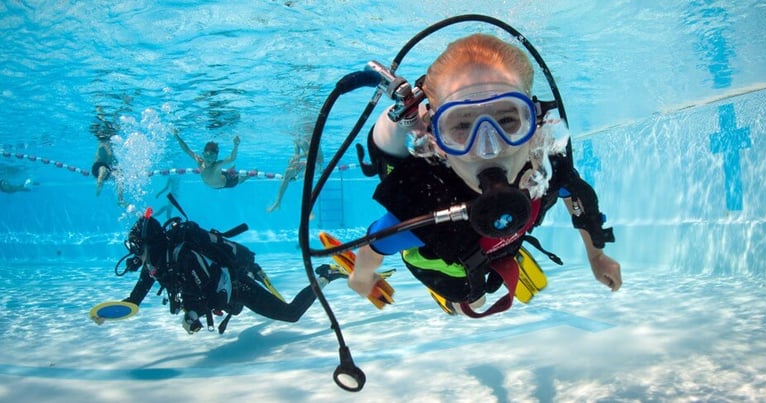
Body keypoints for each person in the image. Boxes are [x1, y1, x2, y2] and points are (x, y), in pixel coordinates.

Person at [348, 34, 621, 316]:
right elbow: (375, 244)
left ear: (534, 123)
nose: (489, 148)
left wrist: (597, 255)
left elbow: (579, 197)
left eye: (507, 120)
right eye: (462, 126)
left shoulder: (546, 166)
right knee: (470, 301)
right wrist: (361, 277)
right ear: (436, 140)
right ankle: (457, 296)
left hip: (501, 238)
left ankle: (501, 248)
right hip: (443, 258)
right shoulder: (423, 205)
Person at [92, 212, 346, 334]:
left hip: (235, 286)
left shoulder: (182, 257)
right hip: (223, 295)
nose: (136, 256)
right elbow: (134, 300)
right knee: (240, 313)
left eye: (138, 248)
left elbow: (205, 294)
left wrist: (192, 314)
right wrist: (109, 313)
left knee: (290, 314)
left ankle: (325, 274)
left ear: (148, 244)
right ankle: (324, 274)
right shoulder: (157, 265)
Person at [173, 130, 248, 189]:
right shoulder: (199, 161)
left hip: (227, 182)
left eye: (213, 157)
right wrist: (177, 136)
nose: (209, 159)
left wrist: (236, 145)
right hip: (216, 183)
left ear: (216, 157)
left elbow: (232, 158)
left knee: (239, 180)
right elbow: (187, 150)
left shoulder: (216, 166)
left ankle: (248, 175)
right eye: (207, 156)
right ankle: (230, 170)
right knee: (227, 172)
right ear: (203, 154)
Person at [267, 135, 323, 212]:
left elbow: (312, 152)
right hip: (307, 163)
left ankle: (309, 205)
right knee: (288, 172)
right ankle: (278, 201)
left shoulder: (311, 136)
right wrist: (294, 161)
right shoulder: (297, 140)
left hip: (317, 164)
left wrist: (298, 157)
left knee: (305, 173)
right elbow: (296, 155)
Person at [90, 106, 125, 205]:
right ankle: (99, 109)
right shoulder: (104, 139)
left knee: (120, 175)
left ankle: (120, 199)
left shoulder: (109, 139)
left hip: (106, 165)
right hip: (99, 166)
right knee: (107, 120)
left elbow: (113, 162)